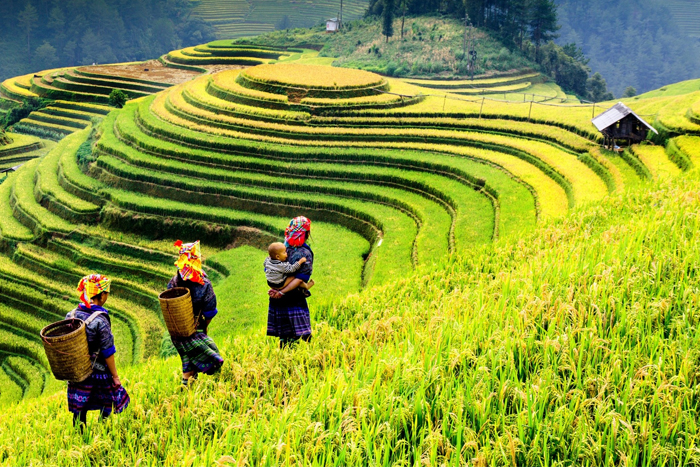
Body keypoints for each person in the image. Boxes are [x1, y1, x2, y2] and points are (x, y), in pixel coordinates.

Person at [66, 274, 130, 430]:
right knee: (106, 404)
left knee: (80, 408)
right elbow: (108, 350)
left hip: (78, 371)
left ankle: (79, 434)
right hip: (98, 370)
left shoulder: (71, 315)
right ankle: (103, 432)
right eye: (107, 293)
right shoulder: (100, 320)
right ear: (101, 296)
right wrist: (115, 376)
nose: (107, 296)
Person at [167, 240, 224, 386]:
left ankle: (189, 391)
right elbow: (210, 311)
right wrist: (204, 326)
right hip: (195, 329)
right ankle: (186, 390)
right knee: (206, 357)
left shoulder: (174, 282)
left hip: (177, 332)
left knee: (188, 360)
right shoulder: (204, 284)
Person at [267, 216, 314, 348]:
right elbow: (300, 279)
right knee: (303, 335)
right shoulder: (304, 253)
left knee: (284, 336)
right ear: (306, 234)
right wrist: (282, 291)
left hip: (277, 299)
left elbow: (270, 273)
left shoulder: (281, 249)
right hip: (294, 298)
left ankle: (284, 361)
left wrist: (277, 290)